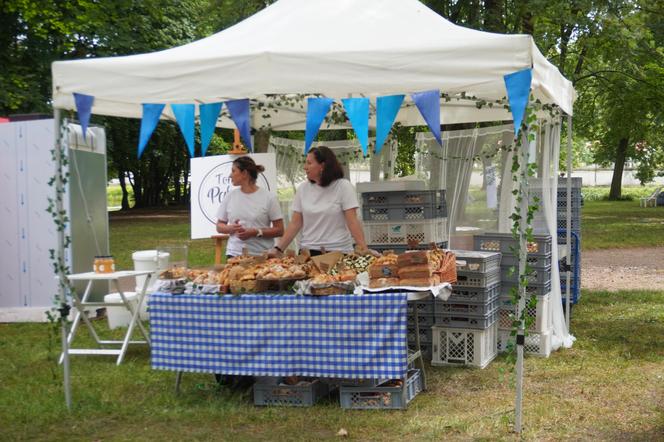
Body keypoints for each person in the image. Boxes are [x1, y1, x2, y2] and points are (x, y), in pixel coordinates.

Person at [269, 146, 370, 256]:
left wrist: (364, 249)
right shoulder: (303, 189)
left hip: (339, 252)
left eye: (309, 163)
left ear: (322, 166)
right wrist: (278, 249)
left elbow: (352, 221)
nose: (305, 167)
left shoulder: (343, 186)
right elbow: (295, 224)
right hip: (307, 252)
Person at [216, 156, 284, 257]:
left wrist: (256, 232)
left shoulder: (269, 198)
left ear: (244, 174)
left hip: (262, 256)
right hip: (234, 255)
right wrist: (230, 228)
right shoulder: (230, 196)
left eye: (233, 171)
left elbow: (280, 230)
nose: (230, 175)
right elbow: (219, 226)